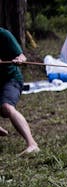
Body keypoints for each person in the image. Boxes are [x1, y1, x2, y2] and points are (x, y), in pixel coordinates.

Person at [0, 27, 39, 155]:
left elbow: (21, 55)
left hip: (11, 79)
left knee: (6, 107)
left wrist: (20, 59)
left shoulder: (4, 35)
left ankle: (32, 144)